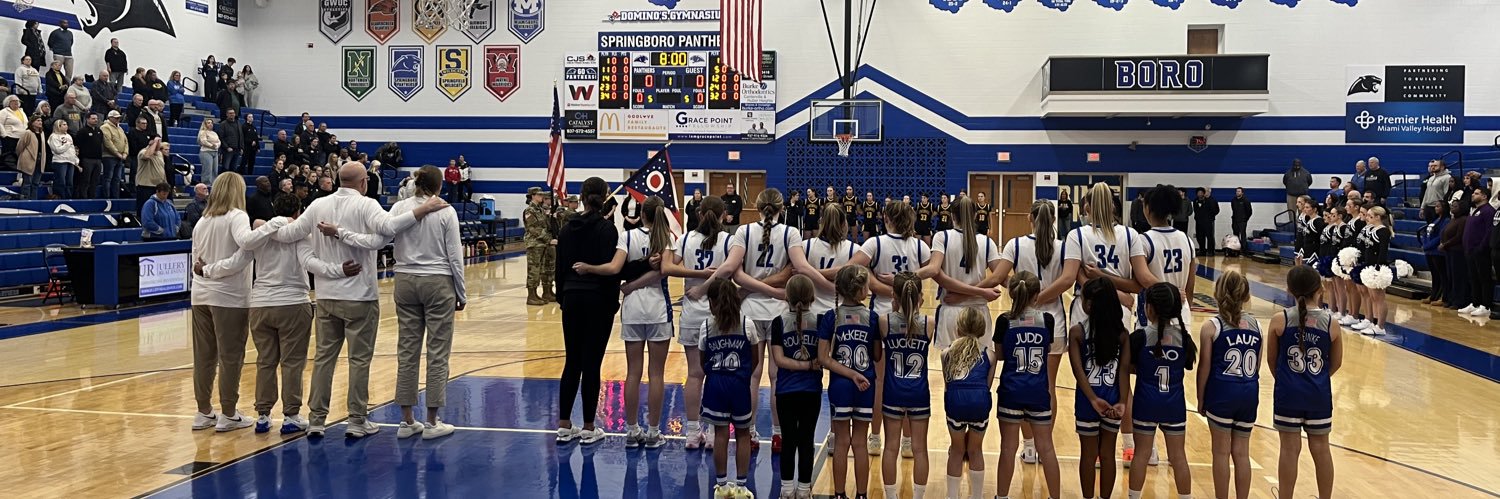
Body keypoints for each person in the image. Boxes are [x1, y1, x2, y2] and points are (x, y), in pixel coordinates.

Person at [260, 162, 450, 438]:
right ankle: (357, 420)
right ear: (363, 182)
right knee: (359, 360)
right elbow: (387, 230)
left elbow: (287, 233)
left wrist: (266, 226)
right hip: (359, 296)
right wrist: (423, 209)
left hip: (325, 297)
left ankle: (316, 420)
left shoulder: (317, 205)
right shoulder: (367, 205)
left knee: (324, 359)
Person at [197, 193, 347, 435]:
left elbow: (236, 262)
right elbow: (310, 264)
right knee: (292, 363)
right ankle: (291, 416)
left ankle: (263, 415)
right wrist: (339, 270)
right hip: (292, 303)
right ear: (299, 213)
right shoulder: (300, 235)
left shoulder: (260, 236)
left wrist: (206, 270)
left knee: (265, 362)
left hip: (261, 304)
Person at [702, 188, 831, 454]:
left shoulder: (743, 232)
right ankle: (778, 435)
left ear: (756, 206)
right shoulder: (790, 232)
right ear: (781, 208)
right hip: (779, 312)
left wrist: (713, 287)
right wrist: (830, 286)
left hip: (748, 310)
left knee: (750, 376)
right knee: (776, 377)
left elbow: (733, 271)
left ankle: (747, 432)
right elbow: (800, 270)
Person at [344, 166, 462, 440]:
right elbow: (455, 255)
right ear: (439, 186)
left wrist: (342, 233)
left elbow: (379, 239)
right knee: (438, 351)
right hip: (437, 281)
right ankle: (432, 421)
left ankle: (407, 420)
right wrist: (462, 292)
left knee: (407, 350)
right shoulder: (445, 210)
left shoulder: (398, 209)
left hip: (405, 280)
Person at [187, 172, 291, 432]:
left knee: (204, 356)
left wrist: (208, 270)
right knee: (231, 356)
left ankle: (203, 412)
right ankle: (229, 413)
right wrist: (273, 223)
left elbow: (196, 263)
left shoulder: (203, 220)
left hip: (200, 295)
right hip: (229, 297)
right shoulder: (237, 216)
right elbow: (246, 244)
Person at [575, 196, 675, 450]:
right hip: (658, 311)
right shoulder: (667, 238)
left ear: (641, 214)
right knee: (656, 374)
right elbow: (663, 272)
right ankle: (653, 432)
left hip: (632, 311)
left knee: (633, 373)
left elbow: (613, 268)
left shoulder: (627, 236)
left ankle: (632, 430)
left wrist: (589, 268)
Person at [554, 177, 643, 445]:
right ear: (605, 197)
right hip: (597, 300)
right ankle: (589, 427)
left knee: (572, 361)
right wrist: (644, 267)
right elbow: (614, 270)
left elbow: (559, 268)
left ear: (581, 196)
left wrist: (562, 298)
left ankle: (563, 425)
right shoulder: (607, 229)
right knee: (591, 364)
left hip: (571, 296)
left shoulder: (567, 229)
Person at [662, 195, 731, 450]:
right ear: (723, 215)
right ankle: (713, 431)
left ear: (699, 214)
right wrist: (706, 278)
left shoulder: (686, 238)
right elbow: (732, 272)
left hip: (691, 312)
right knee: (718, 373)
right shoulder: (728, 240)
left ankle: (692, 432)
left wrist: (695, 277)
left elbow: (667, 267)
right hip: (719, 314)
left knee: (694, 374)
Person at [1267, 266, 1341, 499]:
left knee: (1289, 450)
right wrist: (1316, 379)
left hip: (1288, 393)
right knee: (1321, 450)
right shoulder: (1331, 323)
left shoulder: (1280, 320)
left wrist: (1289, 380)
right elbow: (1336, 363)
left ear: (1288, 289)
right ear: (1320, 289)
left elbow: (1271, 360)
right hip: (1317, 394)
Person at [992, 271, 1062, 499]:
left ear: (1011, 293)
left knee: (1008, 449)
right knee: (1047, 448)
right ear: (1036, 295)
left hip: (1012, 391)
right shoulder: (1047, 320)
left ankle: (1001, 496)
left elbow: (1000, 355)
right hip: (1038, 392)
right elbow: (1047, 350)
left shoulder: (1004, 321)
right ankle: (1055, 496)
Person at [1125, 282, 1198, 499]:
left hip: (1145, 404)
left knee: (1141, 456)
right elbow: (1187, 364)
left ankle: (1133, 497)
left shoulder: (1138, 337)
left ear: (1149, 308)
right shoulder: (1184, 338)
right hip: (1174, 405)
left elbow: (1128, 367)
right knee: (1178, 457)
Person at [1196, 271, 1259, 499]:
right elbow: (1257, 365)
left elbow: (1204, 368)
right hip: (1249, 392)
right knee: (1242, 454)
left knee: (1221, 453)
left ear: (1217, 293)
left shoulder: (1211, 326)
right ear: (1246, 295)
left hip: (1222, 393)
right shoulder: (1257, 326)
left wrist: (1201, 398)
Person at [818, 266, 880, 499]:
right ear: (861, 290)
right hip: (865, 383)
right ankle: (862, 495)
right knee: (861, 443)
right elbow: (876, 355)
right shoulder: (872, 318)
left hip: (840, 386)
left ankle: (839, 494)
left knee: (841, 443)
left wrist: (847, 372)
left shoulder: (831, 317)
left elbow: (823, 358)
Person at [1067, 278, 1129, 499]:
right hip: (1112, 398)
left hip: (1087, 399)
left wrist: (1093, 399)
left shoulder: (1077, 332)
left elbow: (1078, 372)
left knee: (1089, 454)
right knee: (1108, 454)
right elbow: (1123, 372)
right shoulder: (1122, 334)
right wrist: (1122, 401)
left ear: (1090, 304)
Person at [699, 278, 757, 498]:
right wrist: (741, 376)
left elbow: (702, 361)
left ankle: (722, 486)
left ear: (712, 303)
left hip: (716, 385)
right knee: (743, 435)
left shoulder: (706, 326)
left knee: (720, 434)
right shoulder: (747, 324)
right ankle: (741, 487)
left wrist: (715, 375)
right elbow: (755, 359)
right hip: (739, 384)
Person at [879, 272, 934, 499]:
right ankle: (918, 496)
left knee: (890, 447)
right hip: (919, 392)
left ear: (894, 296)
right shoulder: (929, 323)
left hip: (893, 391)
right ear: (921, 297)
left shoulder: (885, 321)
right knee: (920, 449)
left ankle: (891, 496)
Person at [771, 274, 824, 499]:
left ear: (787, 296)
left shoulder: (778, 322)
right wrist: (810, 365)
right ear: (812, 297)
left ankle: (786, 489)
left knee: (788, 440)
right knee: (806, 439)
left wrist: (802, 366)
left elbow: (779, 360)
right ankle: (804, 489)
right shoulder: (820, 321)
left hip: (786, 392)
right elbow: (823, 358)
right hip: (811, 392)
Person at [934, 197, 1004, 349]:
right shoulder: (987, 242)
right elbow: (998, 277)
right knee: (981, 367)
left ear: (952, 215)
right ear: (974, 215)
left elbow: (937, 274)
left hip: (951, 311)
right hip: (978, 312)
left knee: (951, 367)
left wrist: (961, 295)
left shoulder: (941, 237)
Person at [941, 307, 996, 499]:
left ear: (958, 328)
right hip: (979, 402)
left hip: (956, 401)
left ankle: (952, 496)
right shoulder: (990, 354)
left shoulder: (946, 353)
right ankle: (977, 496)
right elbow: (987, 385)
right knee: (975, 450)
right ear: (982, 329)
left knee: (956, 451)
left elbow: (947, 384)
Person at [804, 204, 856, 319]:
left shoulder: (806, 246)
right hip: (841, 313)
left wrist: (809, 272)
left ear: (821, 221)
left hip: (812, 312)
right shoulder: (854, 249)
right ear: (844, 223)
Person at [1352, 206, 1394, 335]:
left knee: (1379, 298)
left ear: (1378, 217)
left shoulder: (1383, 231)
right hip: (1368, 266)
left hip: (1378, 267)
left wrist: (1378, 268)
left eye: (1370, 216)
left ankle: (1380, 326)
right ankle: (1373, 322)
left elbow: (1383, 252)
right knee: (1372, 297)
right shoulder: (1371, 230)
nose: (1367, 218)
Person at [523, 187, 556, 305]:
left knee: (540, 269)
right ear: (533, 196)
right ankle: (531, 296)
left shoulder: (540, 210)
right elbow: (533, 229)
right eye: (539, 195)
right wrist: (548, 239)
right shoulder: (529, 211)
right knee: (533, 269)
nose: (542, 197)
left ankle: (538, 294)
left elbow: (546, 226)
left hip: (542, 244)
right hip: (534, 243)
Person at [1420, 202, 1451, 307]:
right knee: (1434, 275)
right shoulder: (1435, 220)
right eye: (1436, 206)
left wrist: (1428, 245)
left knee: (1442, 276)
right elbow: (1426, 233)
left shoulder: (1446, 221)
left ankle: (1444, 296)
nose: (1436, 208)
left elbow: (1440, 237)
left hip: (1438, 252)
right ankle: (1433, 295)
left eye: (1438, 206)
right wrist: (1424, 244)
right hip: (1429, 251)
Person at [1441, 198, 1470, 310]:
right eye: (1452, 206)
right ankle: (1451, 298)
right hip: (1450, 251)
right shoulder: (1453, 219)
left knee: (1459, 277)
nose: (1452, 207)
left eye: (1455, 206)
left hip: (1458, 252)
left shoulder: (1463, 220)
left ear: (1461, 208)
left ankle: (1460, 300)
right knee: (1451, 276)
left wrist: (1445, 244)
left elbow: (1458, 236)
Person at [15, 116, 47, 199]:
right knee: (27, 183)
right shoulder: (28, 133)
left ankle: (33, 201)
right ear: (32, 122)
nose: (40, 122)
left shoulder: (42, 133)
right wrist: (23, 156)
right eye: (38, 120)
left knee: (36, 183)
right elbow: (20, 146)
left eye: (41, 120)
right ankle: (25, 201)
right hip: (29, 160)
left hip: (40, 160)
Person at [134, 137, 168, 212]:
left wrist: (165, 183)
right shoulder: (143, 152)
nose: (160, 144)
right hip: (145, 187)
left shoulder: (159, 154)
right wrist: (154, 143)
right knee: (144, 209)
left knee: (157, 210)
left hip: (158, 187)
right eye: (158, 142)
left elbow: (162, 168)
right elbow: (147, 156)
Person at [47, 119, 78, 199]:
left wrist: (75, 160)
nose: (66, 126)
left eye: (66, 124)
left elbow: (72, 150)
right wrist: (67, 144)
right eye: (64, 125)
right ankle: (60, 197)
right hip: (60, 161)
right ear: (58, 126)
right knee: (61, 181)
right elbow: (57, 150)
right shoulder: (53, 136)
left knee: (70, 182)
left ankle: (68, 198)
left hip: (70, 161)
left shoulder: (68, 136)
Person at [100, 110, 128, 198]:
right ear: (110, 118)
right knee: (108, 178)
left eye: (119, 118)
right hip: (109, 156)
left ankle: (115, 197)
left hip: (120, 157)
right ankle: (107, 197)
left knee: (117, 179)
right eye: (116, 118)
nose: (118, 119)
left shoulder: (120, 128)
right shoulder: (105, 127)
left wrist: (125, 153)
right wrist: (117, 153)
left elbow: (125, 141)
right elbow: (108, 142)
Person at [74, 112, 102, 198]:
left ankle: (92, 197)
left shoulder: (99, 131)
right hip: (86, 159)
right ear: (87, 119)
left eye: (96, 118)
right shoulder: (82, 131)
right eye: (93, 118)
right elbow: (78, 145)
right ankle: (83, 198)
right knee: (85, 180)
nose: (95, 120)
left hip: (98, 159)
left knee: (95, 181)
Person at [1194, 187, 1220, 257]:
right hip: (1199, 222)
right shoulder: (1197, 200)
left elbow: (1217, 210)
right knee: (1200, 236)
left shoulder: (1212, 200)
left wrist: (1210, 216)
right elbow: (1196, 210)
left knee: (1210, 236)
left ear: (1209, 192)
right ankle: (1202, 250)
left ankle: (1210, 251)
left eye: (1205, 191)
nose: (1203, 193)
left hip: (1208, 222)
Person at [217, 109, 244, 175]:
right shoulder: (223, 124)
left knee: (234, 168)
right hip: (228, 150)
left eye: (233, 113)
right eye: (230, 113)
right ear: (227, 114)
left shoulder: (238, 123)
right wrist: (226, 147)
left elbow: (241, 136)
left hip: (237, 149)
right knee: (226, 167)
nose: (232, 114)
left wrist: (241, 147)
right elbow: (220, 137)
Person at [2, 96, 27, 166]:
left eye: (17, 101)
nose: (16, 102)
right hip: (9, 137)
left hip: (21, 137)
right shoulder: (4, 111)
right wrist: (4, 135)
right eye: (13, 101)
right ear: (8, 102)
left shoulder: (21, 111)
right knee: (8, 156)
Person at [1230, 188, 1252, 256]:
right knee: (1235, 236)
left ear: (1242, 193)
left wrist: (1245, 219)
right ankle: (1236, 250)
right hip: (1235, 220)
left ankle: (1244, 250)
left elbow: (1249, 211)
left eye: (1239, 191)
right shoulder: (1233, 200)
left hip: (1242, 221)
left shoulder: (1246, 200)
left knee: (1243, 235)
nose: (1237, 192)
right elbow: (1233, 209)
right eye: (1236, 191)